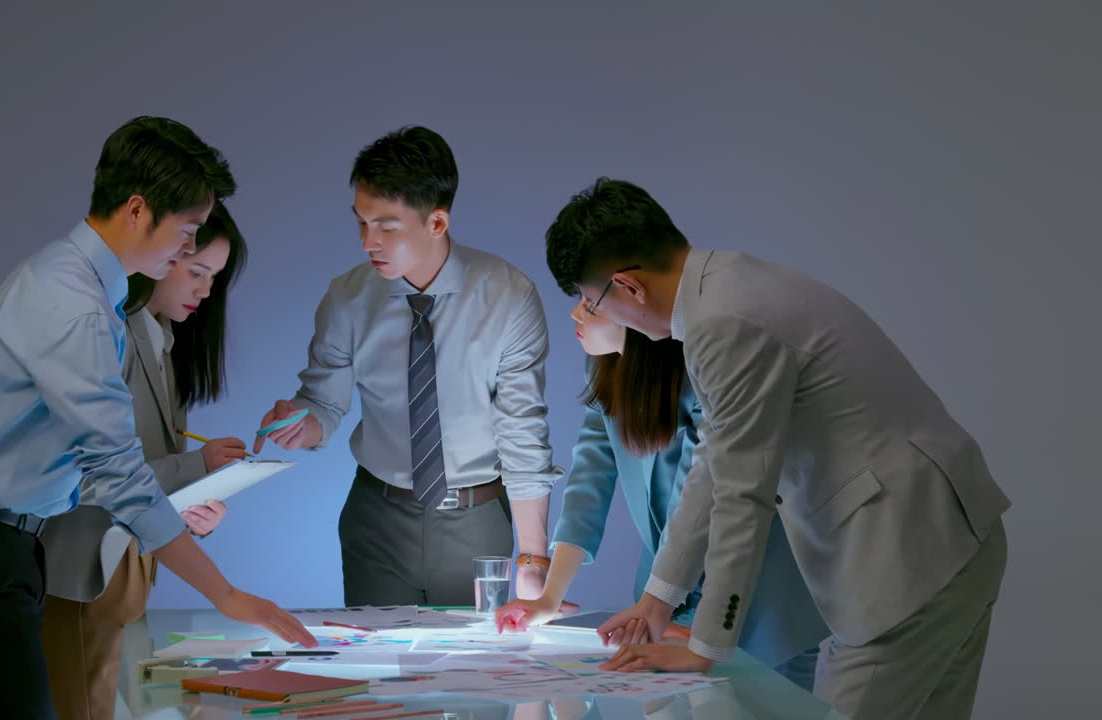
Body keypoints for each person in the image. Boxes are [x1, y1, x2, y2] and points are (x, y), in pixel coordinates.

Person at [543, 178, 1010, 719]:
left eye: (591, 299)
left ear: (628, 287)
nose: (588, 313)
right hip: (958, 534)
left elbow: (743, 496)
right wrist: (657, 599)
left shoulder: (721, 324)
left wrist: (704, 648)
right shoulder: (728, 284)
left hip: (903, 559)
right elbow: (713, 467)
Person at [0, 116, 314, 720]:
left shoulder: (73, 283)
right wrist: (224, 593)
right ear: (138, 210)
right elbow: (117, 469)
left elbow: (84, 466)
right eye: (188, 231)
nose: (189, 251)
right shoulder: (75, 303)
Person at [253, 126, 563, 606]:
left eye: (385, 226)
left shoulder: (508, 295)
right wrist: (300, 424)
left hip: (475, 522)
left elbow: (522, 428)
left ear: (437, 223)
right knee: (377, 675)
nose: (366, 242)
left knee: (482, 677)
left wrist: (534, 559)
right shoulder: (348, 296)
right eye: (360, 222)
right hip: (376, 520)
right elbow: (322, 404)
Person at [495, 303, 826, 688]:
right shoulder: (604, 366)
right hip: (663, 598)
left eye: (589, 303)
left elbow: (698, 503)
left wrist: (668, 613)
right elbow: (589, 480)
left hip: (759, 601)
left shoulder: (703, 373)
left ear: (630, 304)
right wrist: (549, 597)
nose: (574, 313)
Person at [40, 202, 250, 719]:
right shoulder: (110, 330)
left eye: (214, 278)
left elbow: (148, 476)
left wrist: (194, 506)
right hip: (83, 571)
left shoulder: (164, 342)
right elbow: (88, 472)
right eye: (196, 271)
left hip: (129, 577)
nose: (204, 290)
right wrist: (194, 467)